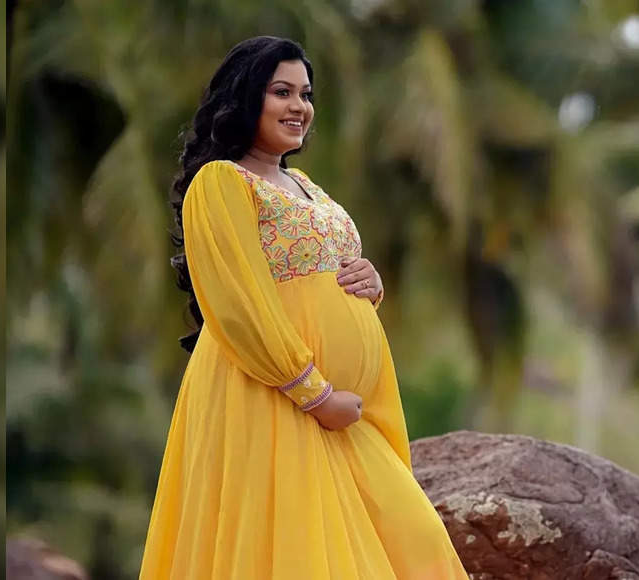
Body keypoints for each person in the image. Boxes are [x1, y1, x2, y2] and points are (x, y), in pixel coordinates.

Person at [139, 36, 469, 579]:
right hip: (274, 401)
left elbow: (323, 272)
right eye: (281, 91)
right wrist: (312, 393)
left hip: (340, 413)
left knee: (414, 540)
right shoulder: (221, 182)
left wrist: (370, 282)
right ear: (245, 99)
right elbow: (239, 303)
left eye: (305, 94)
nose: (299, 107)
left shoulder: (306, 187)